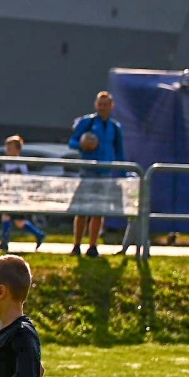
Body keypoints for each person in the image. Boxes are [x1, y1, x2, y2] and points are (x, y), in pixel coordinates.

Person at [67, 91, 125, 257]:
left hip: (105, 173)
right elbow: (72, 142)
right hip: (88, 171)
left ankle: (92, 246)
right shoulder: (88, 122)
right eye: (100, 104)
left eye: (106, 104)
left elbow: (119, 152)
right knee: (83, 209)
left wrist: (123, 174)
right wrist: (83, 144)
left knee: (98, 211)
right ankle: (76, 245)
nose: (102, 107)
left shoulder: (115, 127)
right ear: (96, 105)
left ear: (111, 106)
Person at [0, 135, 46, 251]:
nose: (7, 150)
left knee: (9, 217)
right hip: (8, 194)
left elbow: (24, 178)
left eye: (11, 148)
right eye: (7, 147)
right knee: (16, 220)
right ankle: (38, 234)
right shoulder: (6, 162)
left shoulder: (20, 163)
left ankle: (5, 242)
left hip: (16, 195)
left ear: (18, 149)